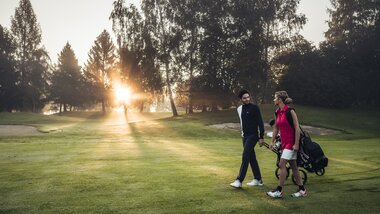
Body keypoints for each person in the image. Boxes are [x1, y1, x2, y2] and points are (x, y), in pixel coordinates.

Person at [266, 91, 307, 198]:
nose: (273, 99)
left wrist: (296, 144)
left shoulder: (290, 111)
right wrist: (272, 141)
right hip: (284, 143)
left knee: (281, 164)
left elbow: (297, 128)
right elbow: (276, 127)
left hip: (291, 143)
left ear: (279, 99)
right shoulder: (277, 111)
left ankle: (279, 191)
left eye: (275, 98)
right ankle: (302, 190)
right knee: (294, 167)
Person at [230, 89, 265, 188]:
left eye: (248, 97)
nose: (247, 99)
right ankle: (258, 179)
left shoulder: (255, 108)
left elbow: (260, 123)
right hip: (244, 136)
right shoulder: (239, 109)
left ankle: (239, 180)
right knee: (251, 157)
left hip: (253, 135)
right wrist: (242, 134)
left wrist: (261, 137)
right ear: (241, 99)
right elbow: (242, 123)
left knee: (245, 155)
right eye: (244, 98)